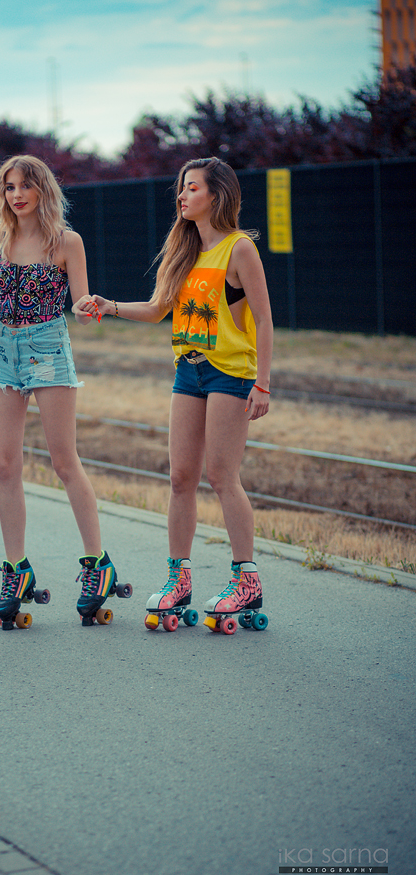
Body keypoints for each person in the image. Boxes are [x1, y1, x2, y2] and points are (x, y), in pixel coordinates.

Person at [77, 157, 273, 629]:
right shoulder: (184, 249)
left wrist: (263, 382)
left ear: (216, 195)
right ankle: (178, 579)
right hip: (189, 371)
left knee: (222, 476)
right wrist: (109, 306)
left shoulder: (239, 248)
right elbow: (158, 308)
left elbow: (265, 319)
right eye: (181, 189)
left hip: (230, 373)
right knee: (180, 477)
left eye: (192, 188)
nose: (182, 196)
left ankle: (246, 579)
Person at [0, 155, 125, 630]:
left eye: (25, 186)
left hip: (48, 346)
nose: (17, 195)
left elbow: (81, 306)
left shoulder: (66, 241)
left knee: (64, 460)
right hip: (4, 349)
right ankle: (16, 570)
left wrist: (88, 308)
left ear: (43, 189)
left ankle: (97, 563)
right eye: (9, 187)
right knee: (6, 464)